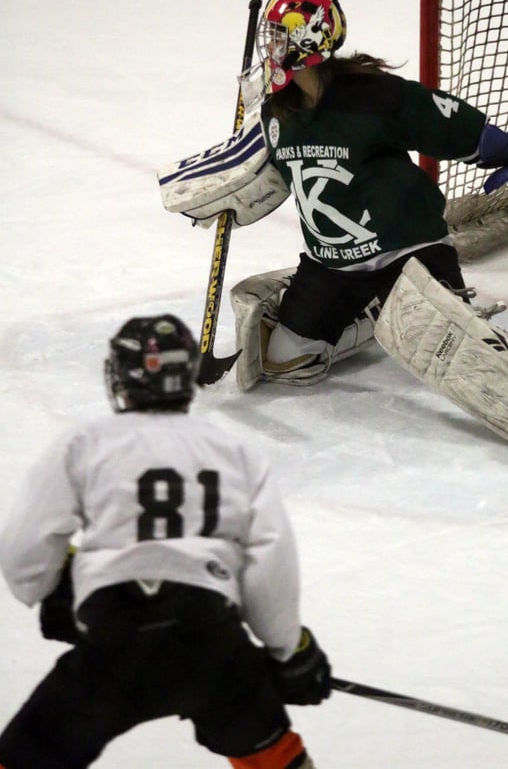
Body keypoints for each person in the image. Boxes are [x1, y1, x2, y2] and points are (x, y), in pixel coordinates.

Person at [157, 0, 508, 458]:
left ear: (308, 42)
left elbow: (453, 126)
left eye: (278, 37)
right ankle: (372, 317)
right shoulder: (276, 113)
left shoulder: (374, 97)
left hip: (407, 250)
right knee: (281, 359)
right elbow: (258, 173)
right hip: (332, 267)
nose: (268, 49)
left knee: (446, 345)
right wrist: (220, 186)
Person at [0, 314, 330, 769]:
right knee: (275, 758)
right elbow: (270, 562)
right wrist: (287, 648)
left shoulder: (87, 442)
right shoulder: (232, 451)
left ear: (120, 375)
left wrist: (55, 587)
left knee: (25, 757)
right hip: (210, 639)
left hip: (115, 637)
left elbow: (23, 549)